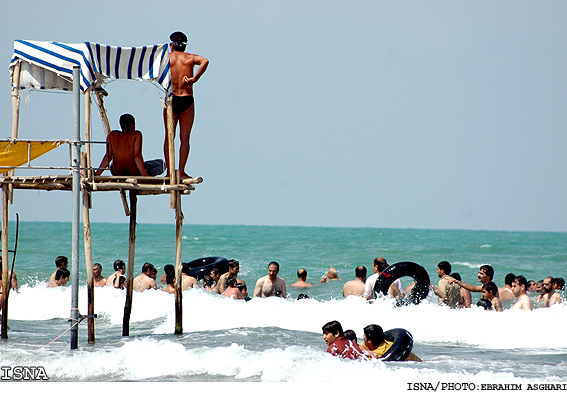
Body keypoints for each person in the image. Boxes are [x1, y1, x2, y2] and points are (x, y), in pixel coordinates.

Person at [164, 31, 209, 179]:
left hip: (171, 99)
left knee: (169, 136)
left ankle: (170, 172)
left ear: (172, 45)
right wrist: (193, 79)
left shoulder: (167, 58)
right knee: (185, 138)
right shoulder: (189, 58)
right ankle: (181, 171)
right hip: (186, 98)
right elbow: (205, 61)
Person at [95, 114, 165, 177]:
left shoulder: (112, 135)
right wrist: (144, 174)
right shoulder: (136, 134)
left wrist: (97, 173)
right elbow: (137, 156)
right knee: (162, 164)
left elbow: (108, 156)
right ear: (132, 125)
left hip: (117, 172)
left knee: (112, 166)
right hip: (134, 172)